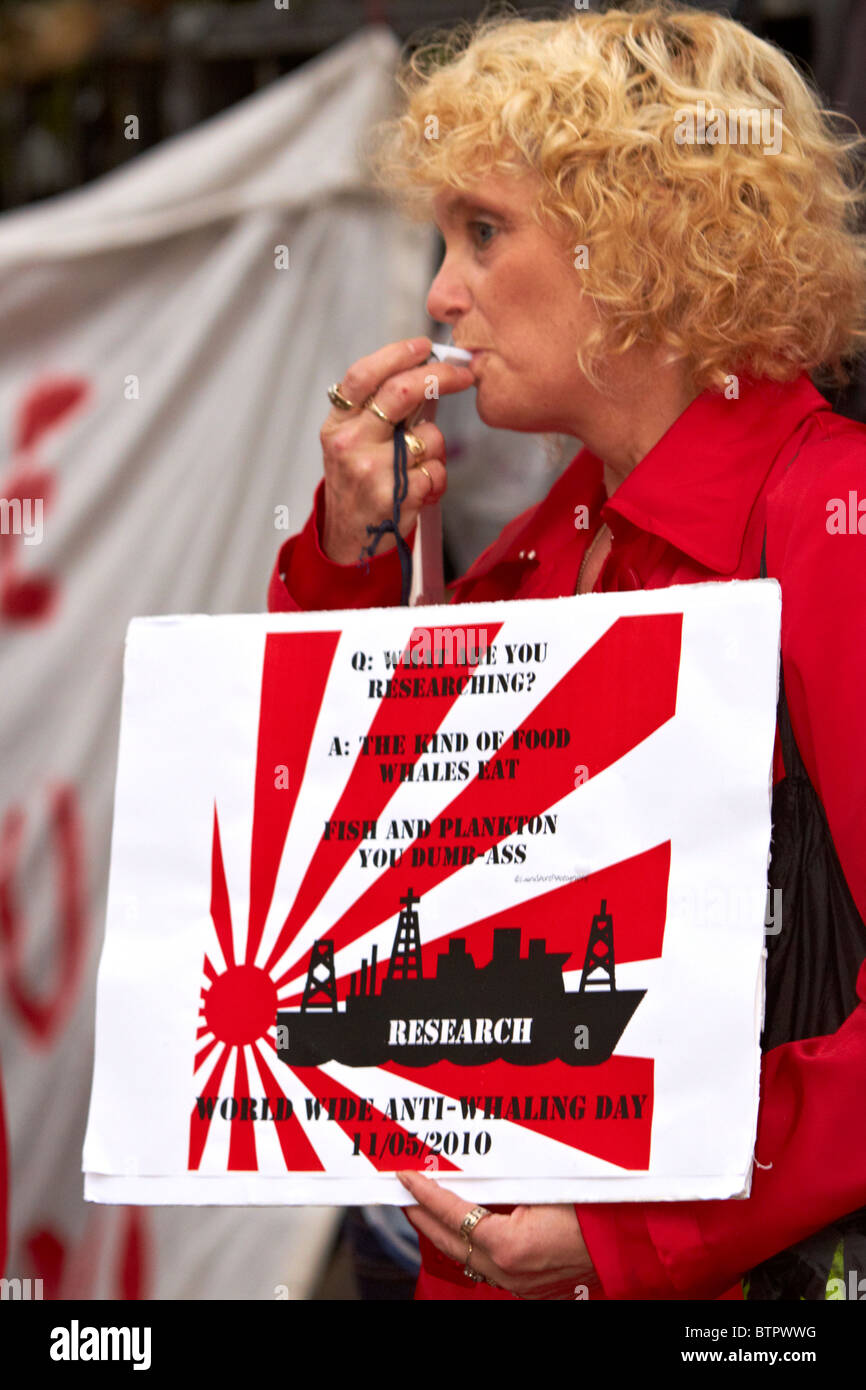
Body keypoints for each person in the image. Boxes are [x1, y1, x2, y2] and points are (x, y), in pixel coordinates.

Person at [269, 4, 866, 1300]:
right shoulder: (559, 527)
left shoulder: (832, 527)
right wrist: (351, 550)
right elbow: (340, 846)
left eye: (483, 232)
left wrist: (624, 1238)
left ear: (644, 231)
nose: (438, 294)